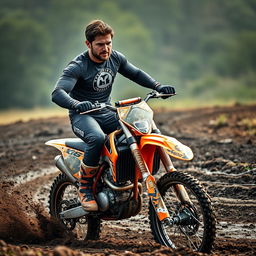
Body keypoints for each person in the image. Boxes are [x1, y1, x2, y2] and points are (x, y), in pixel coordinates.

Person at [52, 20, 175, 212]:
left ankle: (124, 175)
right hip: (83, 115)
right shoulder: (78, 66)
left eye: (108, 43)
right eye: (100, 44)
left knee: (138, 129)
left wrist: (158, 87)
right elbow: (57, 93)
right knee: (97, 138)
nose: (106, 48)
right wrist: (77, 104)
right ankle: (85, 187)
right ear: (88, 44)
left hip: (107, 111)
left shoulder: (116, 58)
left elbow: (135, 73)